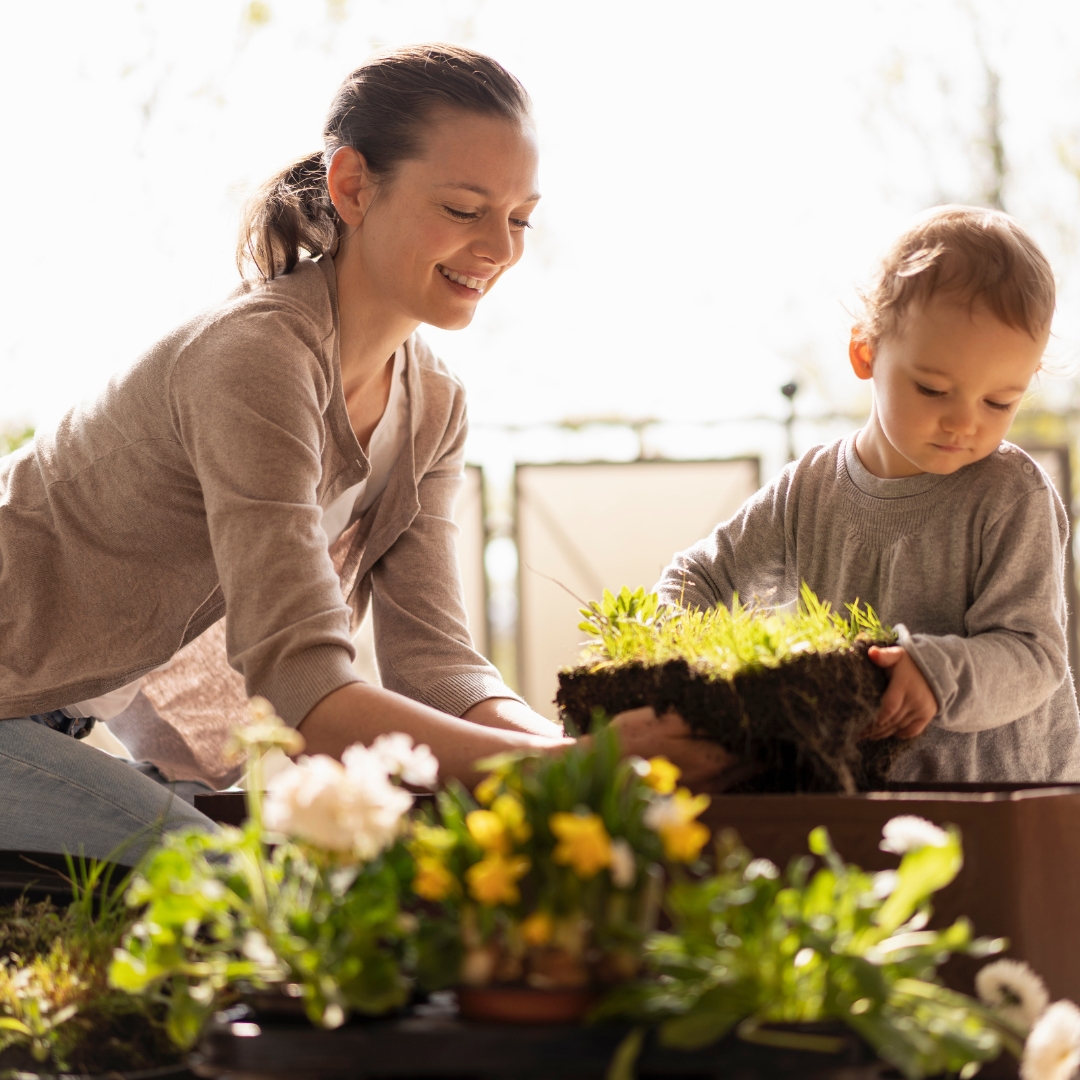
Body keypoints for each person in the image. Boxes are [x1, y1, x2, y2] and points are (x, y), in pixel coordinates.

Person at [0, 45, 726, 860]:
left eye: (519, 218)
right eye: (463, 209)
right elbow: (305, 690)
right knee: (218, 889)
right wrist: (567, 765)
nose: (500, 247)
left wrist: (583, 759)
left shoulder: (433, 405)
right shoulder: (255, 359)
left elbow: (436, 660)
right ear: (352, 187)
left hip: (52, 725)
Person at [656, 205, 1080, 784]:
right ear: (866, 353)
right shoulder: (807, 490)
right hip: (855, 793)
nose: (964, 423)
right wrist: (678, 670)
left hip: (999, 803)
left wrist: (936, 673)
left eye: (998, 402)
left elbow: (1034, 655)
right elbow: (699, 577)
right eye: (933, 389)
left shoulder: (1011, 495)